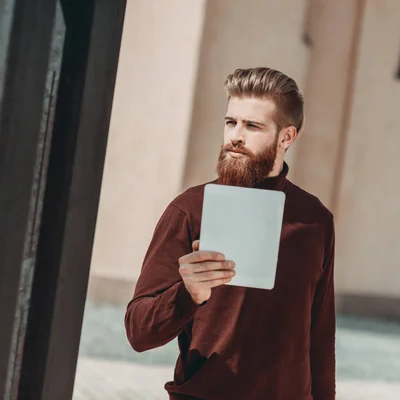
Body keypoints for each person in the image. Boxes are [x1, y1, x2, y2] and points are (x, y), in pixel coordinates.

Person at [124, 67, 336, 400]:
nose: (235, 135)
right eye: (230, 122)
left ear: (287, 137)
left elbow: (320, 336)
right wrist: (187, 293)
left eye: (252, 126)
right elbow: (139, 332)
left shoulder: (314, 220)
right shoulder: (190, 209)